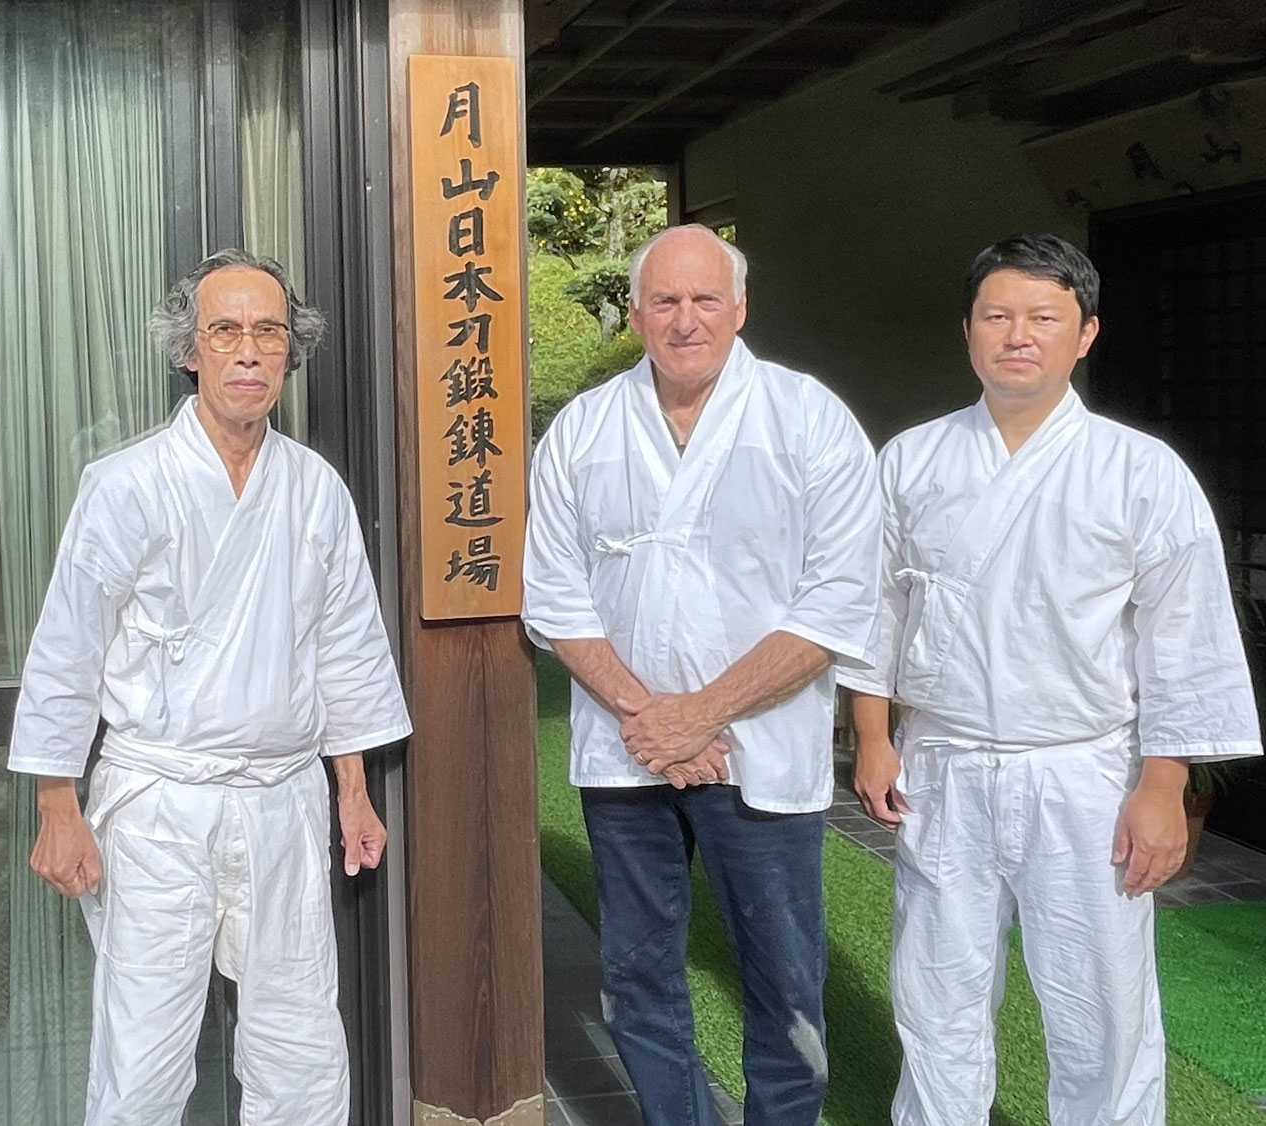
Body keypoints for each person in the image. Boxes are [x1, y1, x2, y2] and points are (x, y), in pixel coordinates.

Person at [848, 233, 1262, 1126]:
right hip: (944, 762)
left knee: (1100, 1007)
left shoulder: (1139, 471)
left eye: (1044, 317)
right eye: (997, 316)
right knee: (934, 993)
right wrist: (875, 738)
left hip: (1084, 770)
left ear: (1086, 335)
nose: (1018, 335)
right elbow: (873, 606)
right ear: (967, 332)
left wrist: (1163, 785)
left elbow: (1183, 635)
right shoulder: (911, 460)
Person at [7, 248, 412, 1125]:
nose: (248, 351)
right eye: (225, 330)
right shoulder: (124, 484)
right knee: (144, 1049)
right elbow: (68, 646)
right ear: (189, 350)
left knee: (299, 1041)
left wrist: (354, 791)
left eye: (269, 332)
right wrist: (55, 802)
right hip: (160, 798)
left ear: (289, 351)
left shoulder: (315, 490)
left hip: (280, 799)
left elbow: (343, 647)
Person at [523, 224, 882, 1125]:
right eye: (666, 301)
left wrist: (703, 714)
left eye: (706, 300)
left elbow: (837, 600)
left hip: (758, 752)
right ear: (636, 313)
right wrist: (658, 719)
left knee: (783, 980)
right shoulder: (585, 426)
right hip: (626, 749)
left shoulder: (808, 418)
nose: (686, 320)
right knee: (638, 975)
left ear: (741, 309)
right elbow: (553, 595)